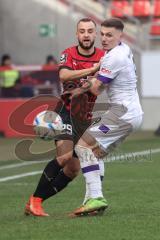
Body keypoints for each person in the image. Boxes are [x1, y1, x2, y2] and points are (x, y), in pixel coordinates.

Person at [24, 18, 107, 217]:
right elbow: (64, 76)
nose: (86, 34)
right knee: (64, 156)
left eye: (89, 31)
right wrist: (93, 69)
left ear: (95, 35)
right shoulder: (68, 54)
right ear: (77, 34)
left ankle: (34, 202)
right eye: (82, 31)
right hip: (66, 112)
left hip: (84, 118)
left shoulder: (104, 56)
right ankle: (36, 202)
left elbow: (100, 84)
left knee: (72, 170)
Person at [69, 17, 143, 216]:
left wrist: (86, 79)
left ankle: (95, 197)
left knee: (82, 146)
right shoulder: (123, 49)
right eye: (102, 34)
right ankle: (91, 203)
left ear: (120, 36)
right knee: (95, 153)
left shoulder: (114, 57)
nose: (104, 38)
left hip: (122, 113)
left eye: (109, 35)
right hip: (132, 113)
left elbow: (95, 89)